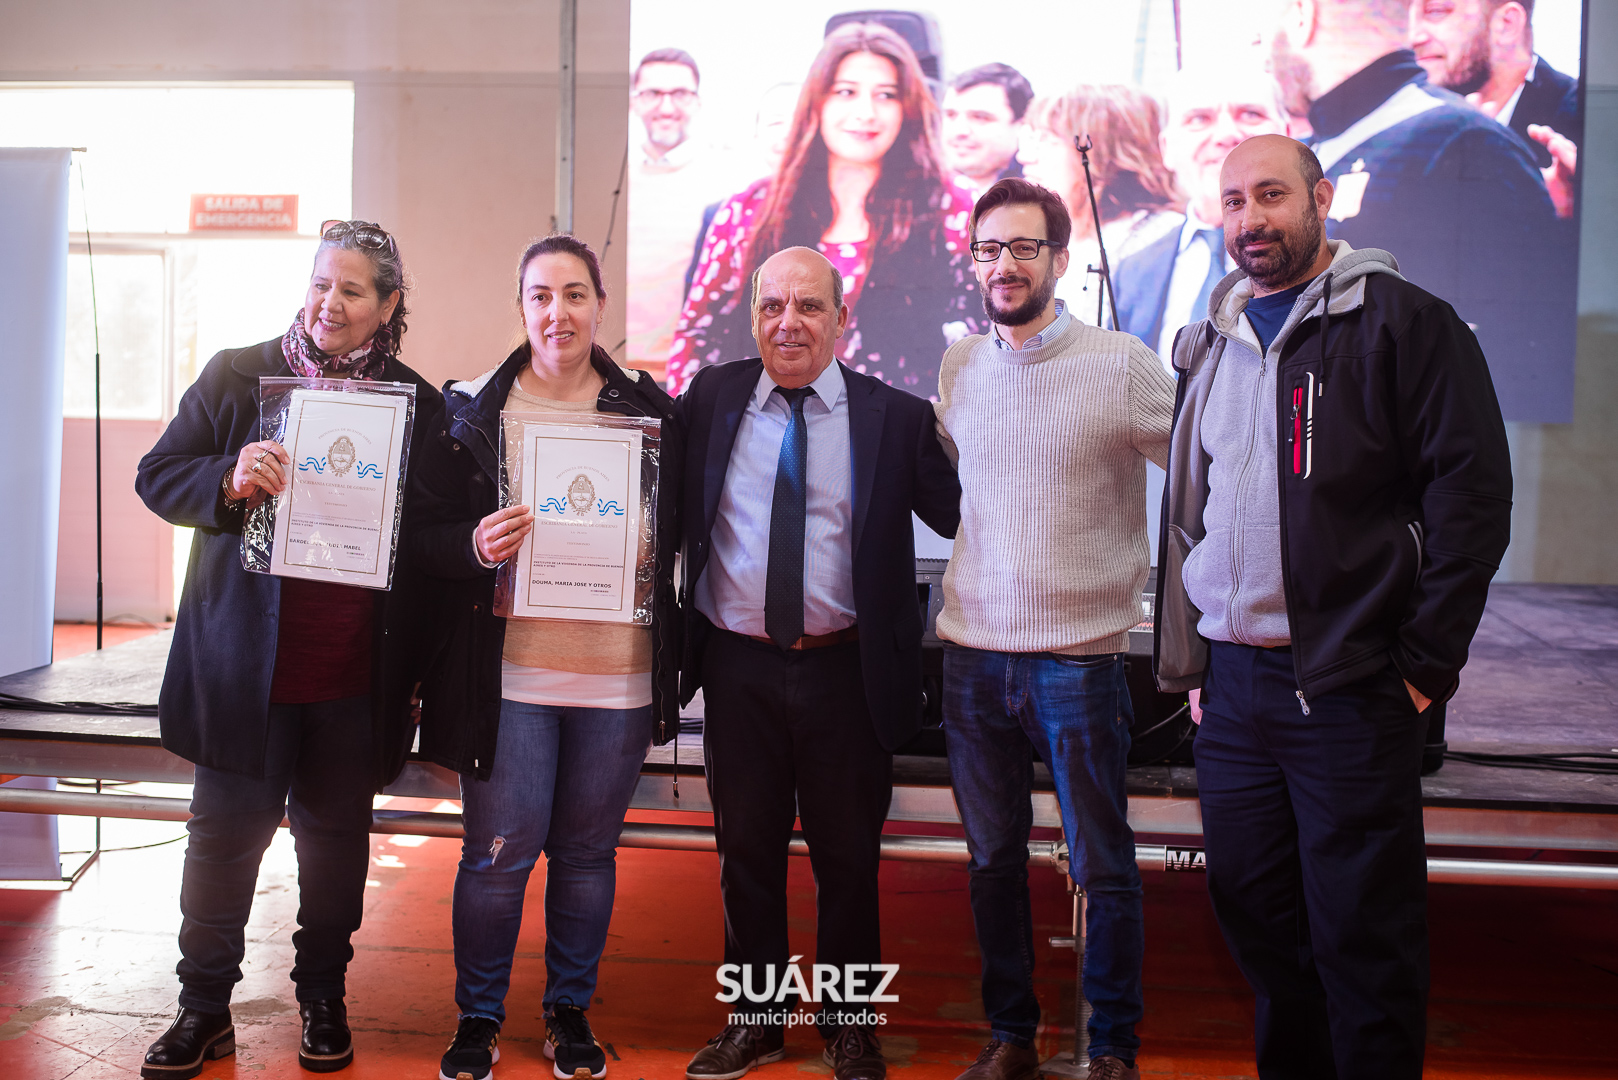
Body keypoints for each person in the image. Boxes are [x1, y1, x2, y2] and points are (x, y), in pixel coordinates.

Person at [1154, 134, 1512, 1077]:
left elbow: (1472, 502)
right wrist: (1200, 656)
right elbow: (1196, 509)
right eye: (1234, 201)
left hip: (1350, 689)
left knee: (1364, 942)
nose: (1250, 219)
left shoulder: (1406, 323)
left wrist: (1423, 668)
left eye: (1271, 195)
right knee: (1260, 924)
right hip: (1234, 694)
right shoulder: (1214, 339)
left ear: (1321, 200)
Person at [135, 221, 441, 1079]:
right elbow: (158, 474)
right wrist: (228, 478)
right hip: (245, 672)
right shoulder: (238, 376)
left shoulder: (416, 404)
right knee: (221, 846)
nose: (328, 304)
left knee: (335, 850)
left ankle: (322, 997)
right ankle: (203, 1009)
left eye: (351, 290)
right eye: (319, 284)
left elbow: (429, 542)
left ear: (387, 305)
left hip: (353, 677)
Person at [677, 246, 960, 1080]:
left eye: (808, 306)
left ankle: (850, 1026)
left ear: (842, 317)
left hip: (848, 673)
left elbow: (965, 514)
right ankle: (757, 1022)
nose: (788, 323)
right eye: (772, 307)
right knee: (745, 856)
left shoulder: (894, 418)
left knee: (849, 861)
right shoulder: (711, 398)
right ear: (752, 318)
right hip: (738, 668)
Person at [411, 234, 682, 1080]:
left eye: (574, 294)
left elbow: (688, 530)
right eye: (540, 296)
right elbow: (422, 540)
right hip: (511, 678)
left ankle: (569, 1010)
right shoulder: (473, 414)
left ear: (600, 305)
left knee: (588, 857)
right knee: (497, 857)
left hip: (618, 676)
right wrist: (473, 544)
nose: (557, 312)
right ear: (522, 306)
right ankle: (478, 1016)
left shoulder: (652, 414)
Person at [934, 178, 1173, 1080]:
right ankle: (1012, 1039)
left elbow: (1206, 470)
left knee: (1103, 864)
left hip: (1079, 662)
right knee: (991, 862)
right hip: (972, 659)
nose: (1004, 264)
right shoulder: (960, 368)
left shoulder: (1121, 364)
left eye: (1023, 247)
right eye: (988, 249)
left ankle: (1111, 1048)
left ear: (1061, 260)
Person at [1265, 0, 1572, 420]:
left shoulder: (1464, 143)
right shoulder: (1321, 146)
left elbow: (1520, 360)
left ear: (1303, 16)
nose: (1265, 52)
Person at [666, 21, 982, 397]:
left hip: (909, 428)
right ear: (817, 100)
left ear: (907, 108)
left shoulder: (956, 208)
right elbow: (697, 338)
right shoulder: (750, 209)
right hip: (764, 425)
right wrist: (696, 422)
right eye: (846, 91)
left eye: (886, 95)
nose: (866, 112)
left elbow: (985, 338)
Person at [1114, 61, 1288, 362]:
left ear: (1289, 137)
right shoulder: (1132, 274)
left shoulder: (1330, 256)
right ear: (1166, 148)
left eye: (1251, 114)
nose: (1226, 134)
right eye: (1199, 119)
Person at [1015, 84, 1182, 325]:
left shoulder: (1163, 239)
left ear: (1103, 151)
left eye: (1047, 140)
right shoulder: (1047, 237)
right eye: (1031, 138)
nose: (1025, 157)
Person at [1410, 0, 1580, 216]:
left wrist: (1575, 213)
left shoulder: (1585, 120)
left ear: (1507, 24)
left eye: (1436, 12)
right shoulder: (1409, 121)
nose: (1413, 38)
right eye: (1406, 18)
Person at [627, 48, 722, 379]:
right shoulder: (611, 181)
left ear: (697, 102)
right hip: (615, 366)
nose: (666, 107)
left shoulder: (724, 179)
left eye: (680, 94)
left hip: (694, 372)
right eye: (653, 93)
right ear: (634, 102)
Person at [941, 63, 1034, 204]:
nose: (960, 130)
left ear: (1021, 124)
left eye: (980, 117)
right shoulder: (919, 187)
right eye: (950, 115)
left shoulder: (1038, 197)